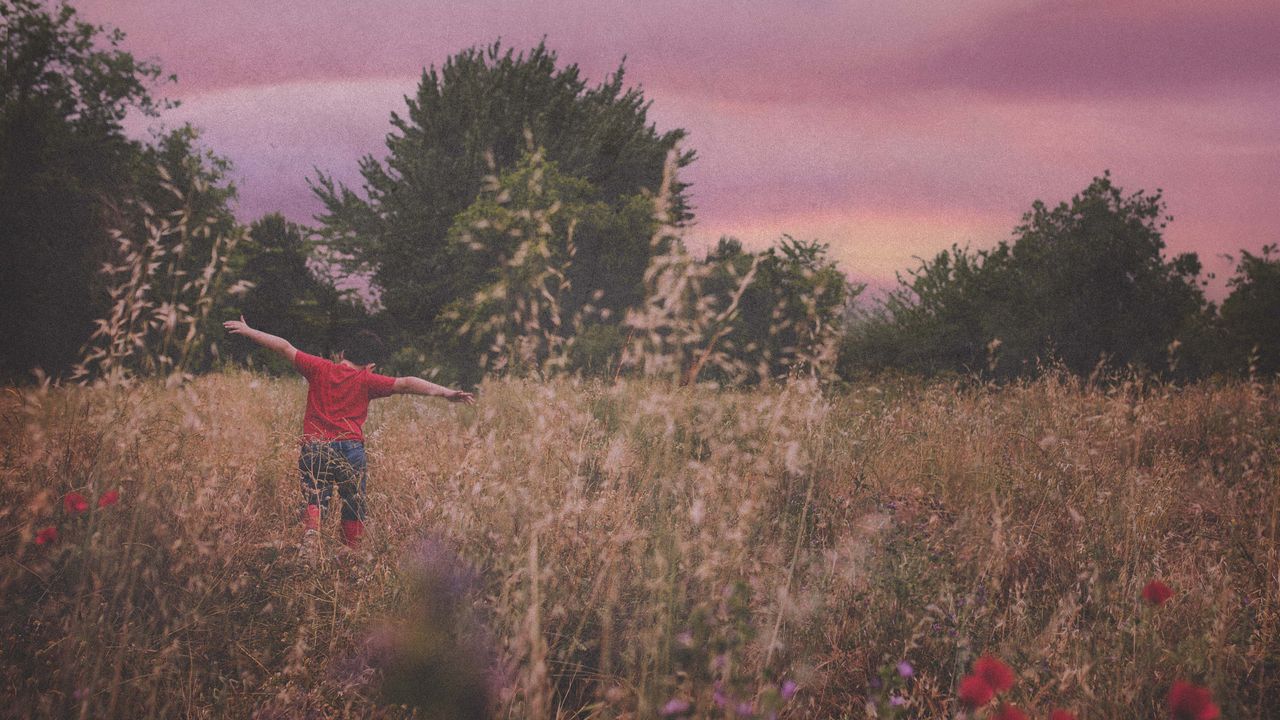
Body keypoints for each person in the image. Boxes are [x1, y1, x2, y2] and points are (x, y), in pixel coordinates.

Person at [223, 316, 474, 550]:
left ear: (341, 354)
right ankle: (350, 554)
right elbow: (406, 382)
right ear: (371, 366)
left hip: (315, 447)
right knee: (353, 505)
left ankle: (311, 537)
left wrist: (249, 330)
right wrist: (446, 393)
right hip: (351, 450)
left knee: (315, 497)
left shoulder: (319, 368)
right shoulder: (367, 380)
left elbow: (284, 347)